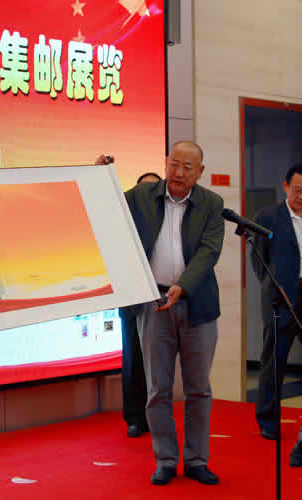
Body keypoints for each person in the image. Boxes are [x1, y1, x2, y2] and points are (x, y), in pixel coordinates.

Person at [104, 141, 224, 486]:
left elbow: (209, 252)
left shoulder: (212, 204)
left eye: (187, 167)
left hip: (197, 304)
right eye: (174, 164)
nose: (179, 172)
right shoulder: (142, 197)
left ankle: (197, 460)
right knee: (158, 388)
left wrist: (182, 286)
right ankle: (166, 460)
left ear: (200, 172)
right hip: (154, 302)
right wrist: (99, 175)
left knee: (198, 388)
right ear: (166, 162)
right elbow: (108, 208)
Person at [251, 163, 302, 441]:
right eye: (297, 190)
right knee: (274, 361)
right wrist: (273, 288)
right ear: (286, 186)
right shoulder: (268, 217)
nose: (301, 196)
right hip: (281, 297)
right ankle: (268, 420)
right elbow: (259, 260)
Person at [118, 171, 161, 438]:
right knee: (134, 360)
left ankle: (158, 416)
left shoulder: (169, 223)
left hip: (163, 300)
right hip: (133, 300)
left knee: (159, 363)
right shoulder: (124, 222)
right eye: (143, 190)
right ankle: (135, 418)